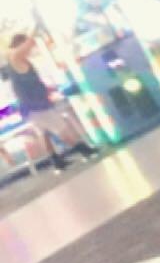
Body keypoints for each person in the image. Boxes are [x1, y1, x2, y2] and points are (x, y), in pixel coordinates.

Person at [3, 30, 95, 172]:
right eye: (28, 46)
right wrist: (34, 29)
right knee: (61, 128)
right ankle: (84, 150)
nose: (31, 49)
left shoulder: (15, 61)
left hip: (30, 106)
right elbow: (24, 46)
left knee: (43, 132)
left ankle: (56, 161)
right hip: (37, 105)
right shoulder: (15, 58)